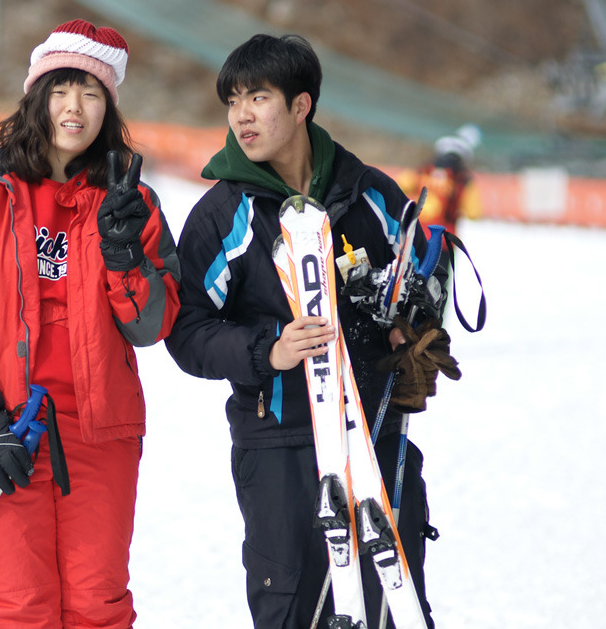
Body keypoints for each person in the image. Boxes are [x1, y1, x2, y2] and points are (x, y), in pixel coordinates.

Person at [165, 34, 457, 628]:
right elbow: (186, 330)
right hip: (281, 446)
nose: (241, 116)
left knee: (392, 607)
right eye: (232, 101)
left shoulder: (368, 192)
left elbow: (422, 276)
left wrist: (412, 328)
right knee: (294, 610)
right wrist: (266, 351)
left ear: (301, 105)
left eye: (258, 97)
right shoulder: (222, 214)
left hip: (376, 434)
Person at [0, 19, 181, 628]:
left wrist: (124, 255)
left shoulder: (131, 202)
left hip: (100, 432)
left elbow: (153, 325)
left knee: (98, 604)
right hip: (3, 426)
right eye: (60, 90)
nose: (74, 107)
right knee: (19, 607)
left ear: (107, 107)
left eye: (91, 93)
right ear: (36, 98)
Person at [396, 123, 483, 241]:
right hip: (443, 240)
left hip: (414, 235)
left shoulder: (421, 172)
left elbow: (399, 186)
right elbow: (474, 213)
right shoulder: (463, 181)